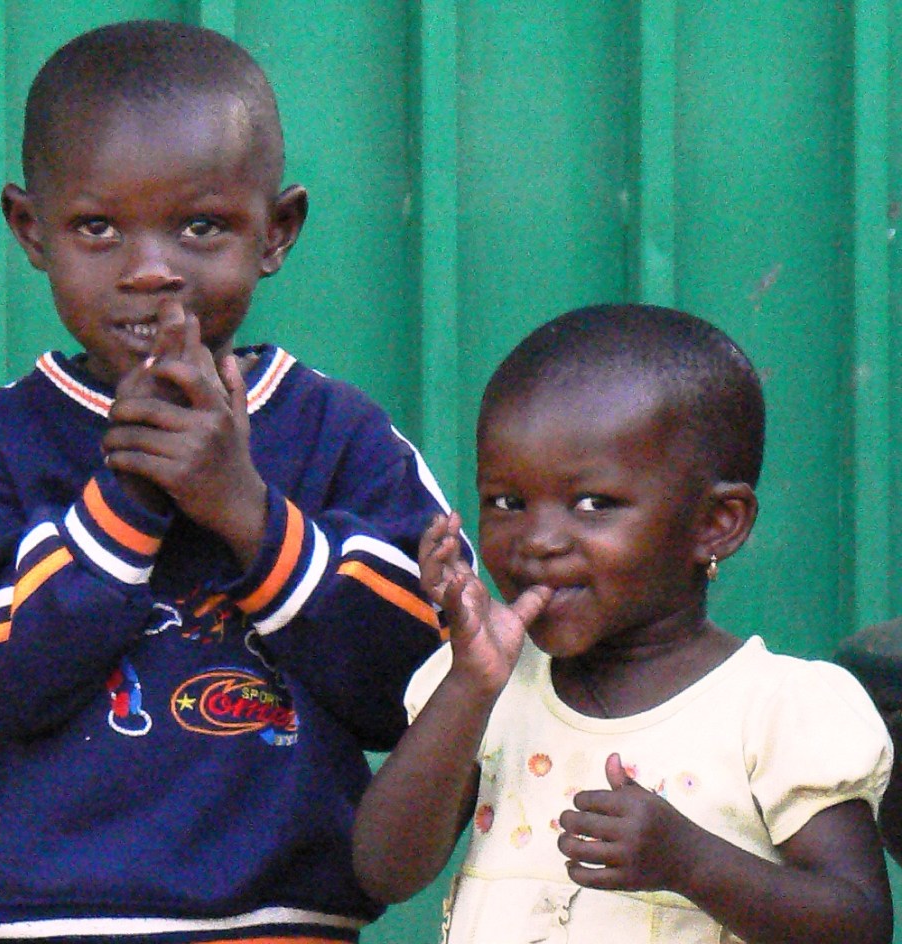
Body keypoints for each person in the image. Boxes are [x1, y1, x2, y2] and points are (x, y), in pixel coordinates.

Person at [0, 20, 470, 944]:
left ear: (276, 231)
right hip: (33, 923)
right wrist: (129, 498)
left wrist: (246, 512)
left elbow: (421, 683)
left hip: (274, 921)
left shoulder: (341, 437)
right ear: (31, 229)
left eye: (201, 226)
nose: (151, 270)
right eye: (98, 227)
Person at [352, 304, 894, 944]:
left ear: (715, 524)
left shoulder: (775, 710)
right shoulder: (486, 688)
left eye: (593, 504)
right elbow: (384, 871)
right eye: (507, 502)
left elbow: (857, 923)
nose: (538, 540)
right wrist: (471, 685)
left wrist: (690, 863)